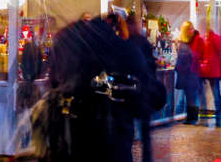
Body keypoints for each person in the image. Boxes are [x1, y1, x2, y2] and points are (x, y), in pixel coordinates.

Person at [42, 16, 163, 162]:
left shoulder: (65, 46)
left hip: (69, 142)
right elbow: (156, 96)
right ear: (116, 27)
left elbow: (52, 84)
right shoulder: (124, 49)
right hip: (112, 143)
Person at [127, 13, 156, 162]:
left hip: (136, 90)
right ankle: (147, 158)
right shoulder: (142, 42)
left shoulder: (129, 42)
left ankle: (134, 156)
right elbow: (152, 66)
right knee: (145, 129)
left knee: (132, 127)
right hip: (144, 90)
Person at [175, 21, 207, 124]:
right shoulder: (186, 42)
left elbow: (197, 56)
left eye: (192, 28)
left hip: (191, 73)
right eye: (189, 29)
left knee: (191, 95)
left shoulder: (195, 41)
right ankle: (191, 117)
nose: (191, 31)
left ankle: (192, 117)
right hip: (187, 73)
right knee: (189, 95)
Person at [198, 22, 221, 128]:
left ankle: (203, 114)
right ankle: (218, 114)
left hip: (206, 71)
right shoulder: (217, 39)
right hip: (215, 71)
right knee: (216, 94)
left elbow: (201, 55)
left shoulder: (204, 39)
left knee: (203, 94)